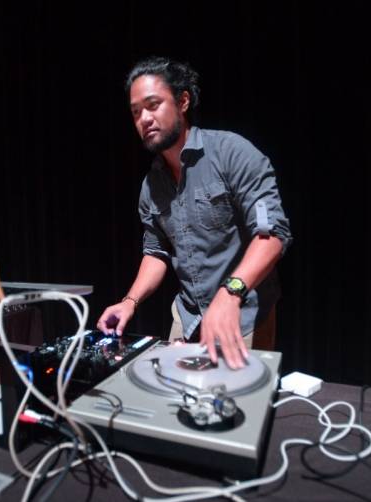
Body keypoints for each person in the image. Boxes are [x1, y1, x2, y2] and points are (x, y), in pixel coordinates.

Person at [97, 56, 292, 369]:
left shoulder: (232, 153)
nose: (143, 119)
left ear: (183, 101)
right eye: (135, 112)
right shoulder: (151, 186)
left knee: (234, 410)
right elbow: (156, 252)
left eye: (153, 105)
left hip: (242, 316)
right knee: (177, 404)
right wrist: (129, 301)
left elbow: (272, 236)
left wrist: (231, 293)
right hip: (188, 318)